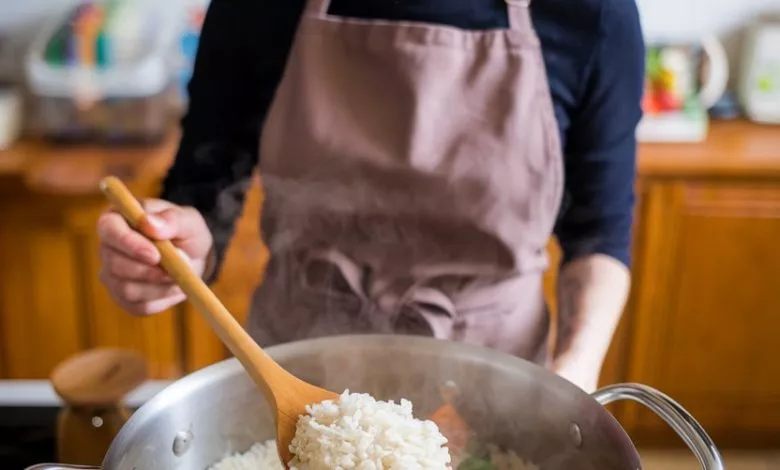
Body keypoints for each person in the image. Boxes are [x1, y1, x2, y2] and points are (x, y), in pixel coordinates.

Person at [96, 0, 645, 393]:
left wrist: (574, 373)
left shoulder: (592, 15)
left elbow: (599, 234)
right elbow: (204, 190)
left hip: (497, 383)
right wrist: (176, 253)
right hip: (291, 371)